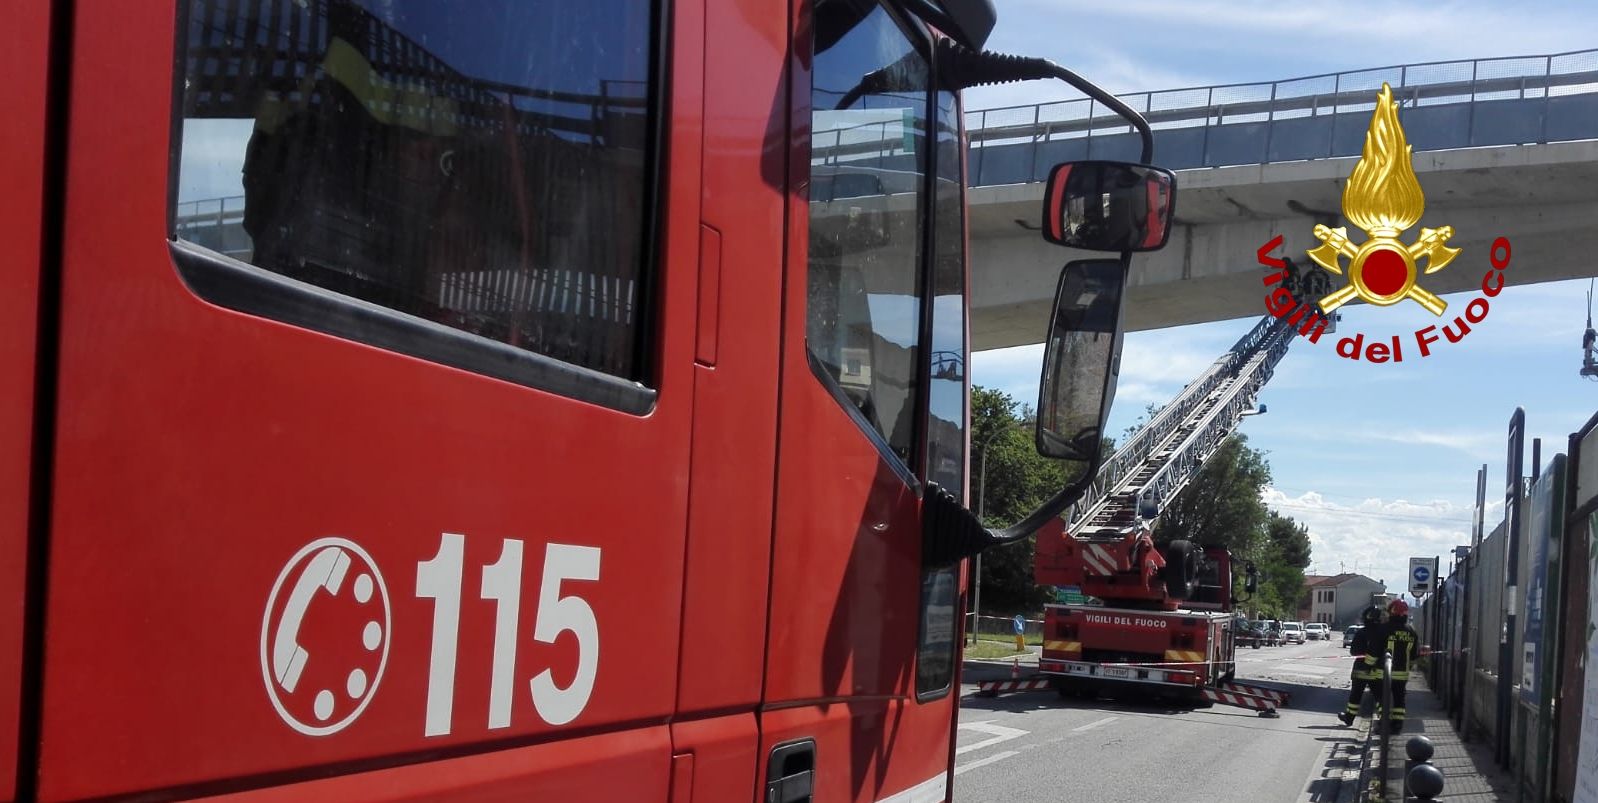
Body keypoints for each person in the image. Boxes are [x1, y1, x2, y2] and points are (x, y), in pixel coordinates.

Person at [1339, 604, 1387, 726]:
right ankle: (1384, 719)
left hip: (1361, 670)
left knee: (1355, 696)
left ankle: (1349, 718)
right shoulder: (1384, 633)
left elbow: (1353, 651)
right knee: (1380, 697)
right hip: (1378, 671)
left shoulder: (1362, 633)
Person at [1380, 598, 1420, 734]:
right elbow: (1415, 655)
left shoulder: (1384, 629)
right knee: (1399, 700)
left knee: (1382, 698)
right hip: (1403, 673)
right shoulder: (1412, 631)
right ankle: (1397, 726)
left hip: (1384, 671)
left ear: (1392, 612)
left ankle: (1383, 724)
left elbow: (1376, 648)